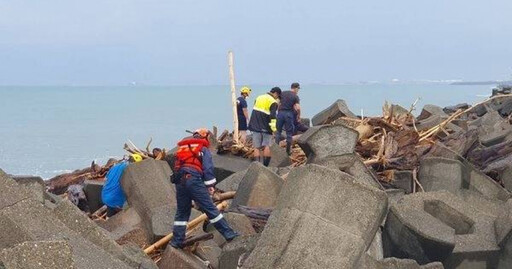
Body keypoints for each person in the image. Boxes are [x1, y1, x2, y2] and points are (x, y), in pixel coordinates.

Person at [170, 128, 239, 249]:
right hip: (193, 180)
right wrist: (210, 186)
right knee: (210, 208)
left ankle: (176, 241)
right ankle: (229, 234)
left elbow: (176, 166)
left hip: (179, 182)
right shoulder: (202, 148)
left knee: (182, 213)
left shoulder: (182, 148)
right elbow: (208, 168)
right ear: (205, 137)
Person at [248, 87, 281, 166]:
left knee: (256, 147)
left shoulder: (259, 97)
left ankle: (257, 166)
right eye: (278, 96)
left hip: (255, 125)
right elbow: (273, 116)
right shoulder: (273, 102)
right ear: (275, 93)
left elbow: (255, 110)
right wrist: (274, 129)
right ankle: (265, 167)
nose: (277, 98)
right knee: (267, 146)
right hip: (266, 126)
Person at [276, 82, 301, 155]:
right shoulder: (295, 96)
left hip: (280, 113)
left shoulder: (283, 93)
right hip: (289, 114)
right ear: (296, 88)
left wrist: (278, 111)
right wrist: (298, 116)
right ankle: (288, 151)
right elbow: (298, 108)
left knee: (278, 132)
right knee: (289, 134)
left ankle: (276, 150)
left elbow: (277, 103)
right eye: (298, 89)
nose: (298, 90)